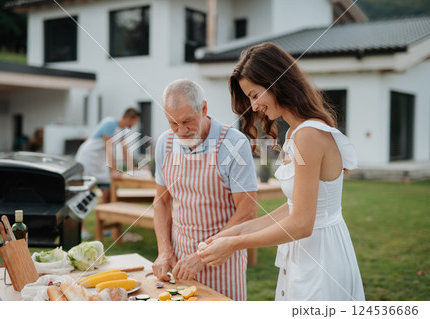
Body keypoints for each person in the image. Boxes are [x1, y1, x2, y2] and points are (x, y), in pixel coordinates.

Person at [197, 42, 365, 301]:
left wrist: (234, 244)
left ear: (276, 82)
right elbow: (293, 208)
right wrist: (235, 232)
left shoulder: (308, 135)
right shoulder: (297, 134)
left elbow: (301, 223)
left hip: (321, 259)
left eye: (254, 95)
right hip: (307, 253)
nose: (253, 107)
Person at [152, 79, 258, 301]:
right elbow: (161, 202)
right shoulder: (165, 143)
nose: (181, 131)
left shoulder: (233, 143)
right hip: (179, 263)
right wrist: (164, 251)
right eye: (173, 123)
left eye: (187, 121)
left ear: (204, 109)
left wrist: (203, 256)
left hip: (223, 262)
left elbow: (247, 211)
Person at [76, 108, 141, 204]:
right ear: (129, 118)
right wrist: (114, 170)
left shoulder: (121, 130)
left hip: (100, 160)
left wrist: (132, 168)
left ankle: (104, 217)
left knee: (108, 192)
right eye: (136, 121)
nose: (135, 124)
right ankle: (80, 217)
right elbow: (109, 149)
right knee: (87, 191)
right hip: (89, 157)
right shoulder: (110, 123)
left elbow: (125, 149)